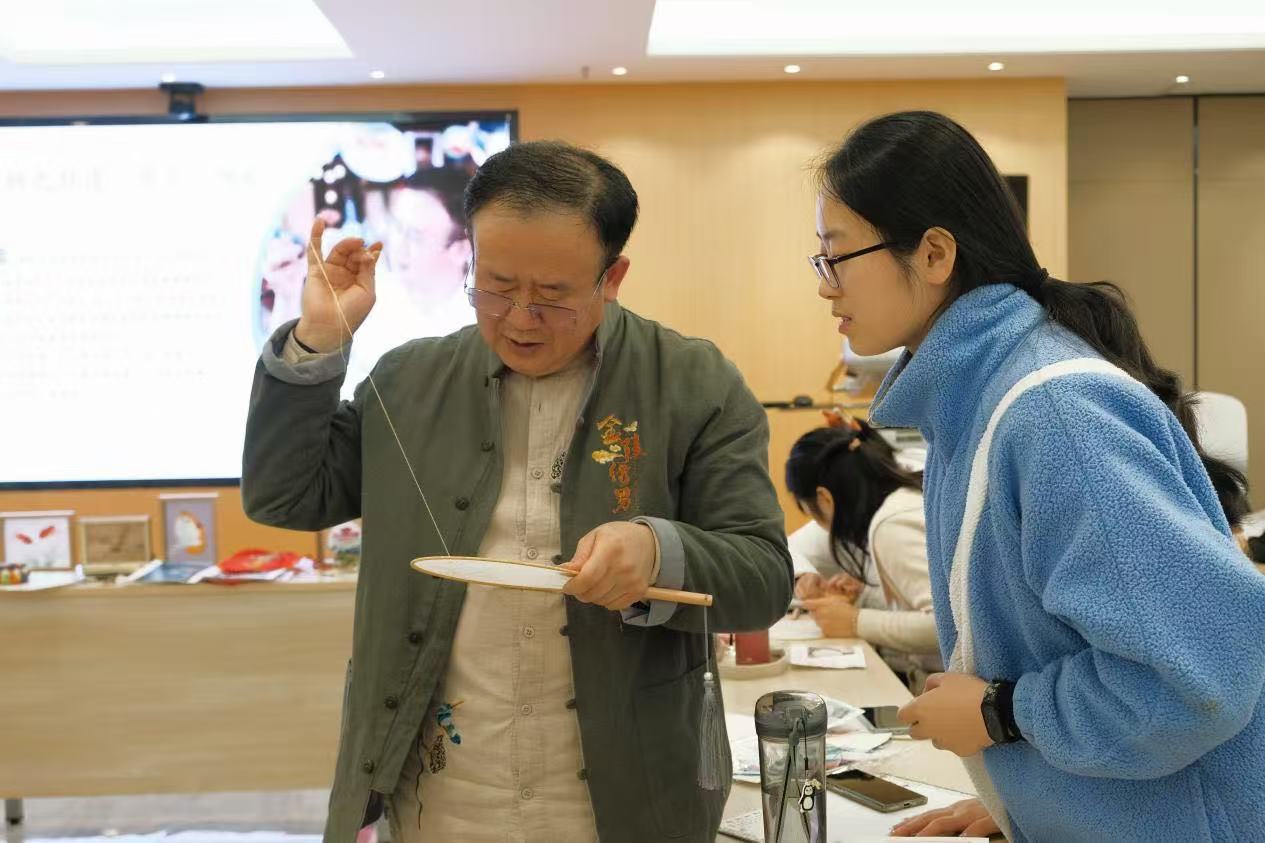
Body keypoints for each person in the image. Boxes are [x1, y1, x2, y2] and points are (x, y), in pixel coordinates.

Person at [242, 140, 792, 843]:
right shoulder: (409, 380)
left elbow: (763, 579)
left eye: (553, 294)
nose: (520, 318)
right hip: (441, 796)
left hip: (626, 797)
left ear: (613, 277)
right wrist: (319, 339)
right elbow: (286, 497)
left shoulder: (692, 382)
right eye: (496, 286)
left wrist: (658, 552)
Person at [807, 110, 1265, 841]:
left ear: (933, 253)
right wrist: (1025, 797)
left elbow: (1196, 677)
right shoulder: (972, 405)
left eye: (836, 256)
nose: (825, 287)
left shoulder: (1052, 415)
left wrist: (1001, 714)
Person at [785, 414, 942, 688]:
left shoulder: (891, 523)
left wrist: (855, 621)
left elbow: (943, 627)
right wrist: (865, 595)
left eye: (809, 510)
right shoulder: (900, 493)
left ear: (824, 498)